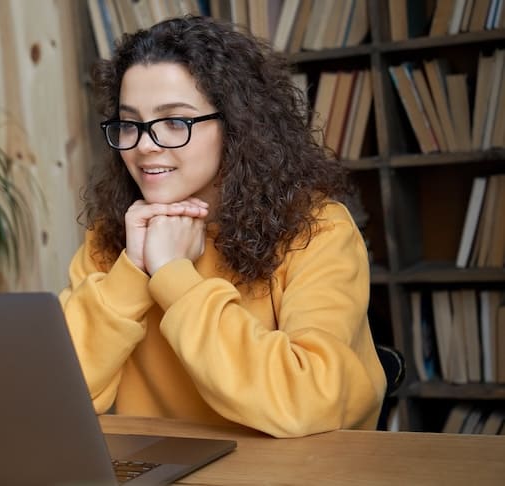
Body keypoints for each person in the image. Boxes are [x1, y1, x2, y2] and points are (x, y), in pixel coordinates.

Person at [58, 15, 386, 438]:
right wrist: (132, 270)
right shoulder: (113, 238)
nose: (143, 145)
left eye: (175, 122)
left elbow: (307, 401)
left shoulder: (318, 231)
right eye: (129, 123)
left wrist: (173, 276)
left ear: (236, 125)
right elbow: (59, 396)